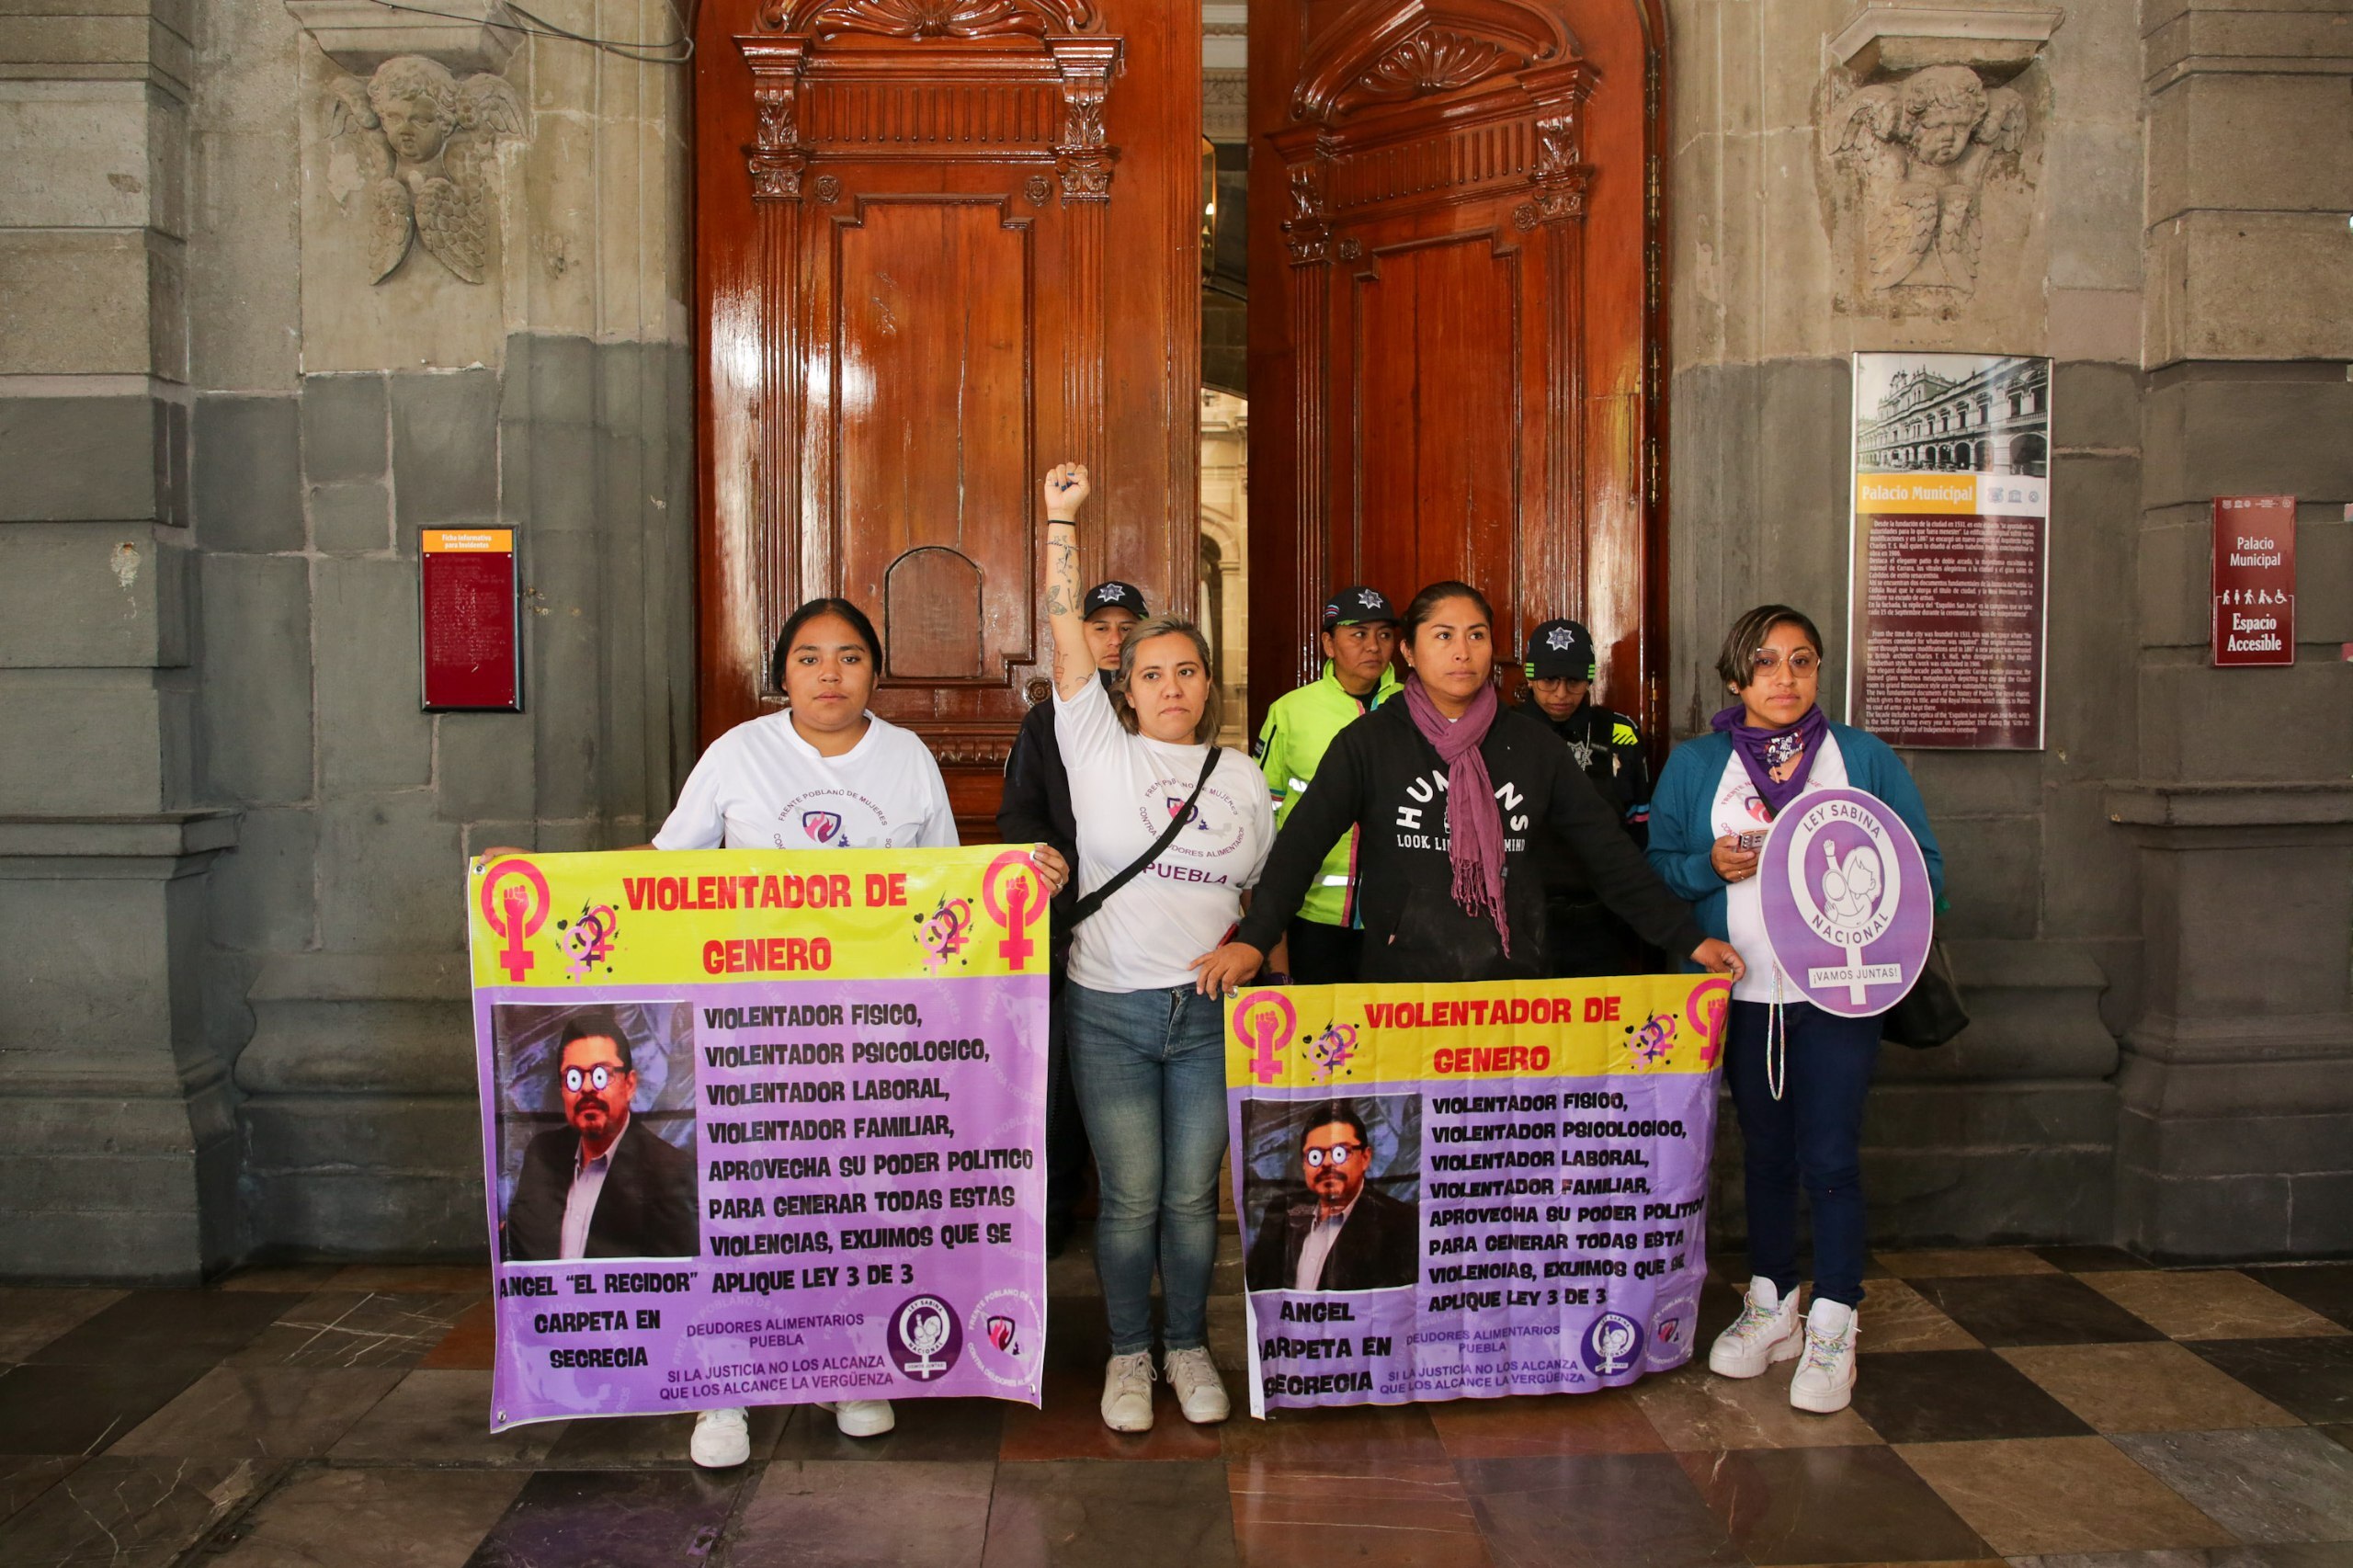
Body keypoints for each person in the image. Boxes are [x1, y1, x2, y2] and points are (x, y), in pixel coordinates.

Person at [650, 597, 1071, 1459]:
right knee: (751, 1208)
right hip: (756, 1029)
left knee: (855, 1207)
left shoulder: (907, 758)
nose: (829, 674)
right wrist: (547, 885)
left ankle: (848, 1368)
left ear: (873, 671)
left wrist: (1016, 870)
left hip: (876, 1030)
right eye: (809, 658)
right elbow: (665, 875)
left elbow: (945, 881)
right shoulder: (738, 755)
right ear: (783, 675)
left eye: (848, 657)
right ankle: (723, 1388)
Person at [1646, 604, 1942, 1416]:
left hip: (1842, 996)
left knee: (1831, 1155)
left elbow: (1927, 869)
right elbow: (1658, 874)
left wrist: (1875, 908)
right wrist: (1708, 865)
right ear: (1735, 676)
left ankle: (1835, 1321)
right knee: (1767, 1153)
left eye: (1802, 661)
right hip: (1742, 995)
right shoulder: (1699, 765)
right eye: (1767, 662)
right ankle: (1772, 1302)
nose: (1785, 678)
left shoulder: (1862, 758)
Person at [1041, 460, 1274, 1433]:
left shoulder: (1241, 774)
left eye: (1186, 670)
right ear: (1122, 688)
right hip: (1111, 1011)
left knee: (1190, 1198)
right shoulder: (1098, 748)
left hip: (1208, 1015)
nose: (1170, 685)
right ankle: (1128, 1356)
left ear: (1207, 684)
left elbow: (1254, 897)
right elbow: (1061, 629)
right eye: (1150, 672)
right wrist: (1060, 521)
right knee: (1131, 1195)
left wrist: (1255, 952)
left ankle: (1188, 1344)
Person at [1192, 581, 1745, 990]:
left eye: (1476, 636)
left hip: (1512, 986)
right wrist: (1254, 941)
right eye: (1443, 635)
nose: (1463, 651)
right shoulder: (1370, 744)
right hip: (1401, 988)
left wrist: (1688, 939)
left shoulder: (1531, 747)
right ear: (1409, 652)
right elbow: (1298, 849)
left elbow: (1611, 856)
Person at [997, 579, 1150, 1256]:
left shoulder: (1164, 713)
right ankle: (1054, 1223)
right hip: (1067, 929)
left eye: (1127, 627)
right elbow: (1019, 816)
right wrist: (1045, 858)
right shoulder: (1048, 719)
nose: (1114, 640)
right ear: (1076, 636)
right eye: (1100, 627)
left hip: (1149, 934)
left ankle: (1139, 1228)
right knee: (1057, 1088)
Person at [1253, 586, 1403, 983]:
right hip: (1311, 913)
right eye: (1358, 634)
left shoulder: (1414, 709)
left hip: (1396, 919)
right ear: (1328, 644)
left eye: (1384, 635)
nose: (1374, 646)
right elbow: (1263, 814)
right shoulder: (1291, 711)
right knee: (1320, 1038)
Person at [1519, 617, 1656, 978]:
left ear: (1590, 678)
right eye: (1549, 681)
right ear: (1530, 676)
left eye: (1574, 681)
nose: (1561, 694)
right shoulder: (1503, 731)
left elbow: (1638, 831)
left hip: (1600, 923)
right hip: (1519, 923)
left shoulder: (1619, 733)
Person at [503, 1010, 697, 1262]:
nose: (586, 1088)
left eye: (601, 1075)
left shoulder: (670, 1172)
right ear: (562, 1088)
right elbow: (521, 1248)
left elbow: (677, 1282)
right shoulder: (542, 1154)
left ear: (629, 1085)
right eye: (573, 1077)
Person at [1243, 1101, 1417, 1293]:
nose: (1326, 1163)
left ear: (1365, 1158)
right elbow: (1259, 1287)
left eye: (1340, 1153)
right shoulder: (1280, 1212)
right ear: (1303, 1164)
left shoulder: (1401, 1223)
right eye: (1314, 1156)